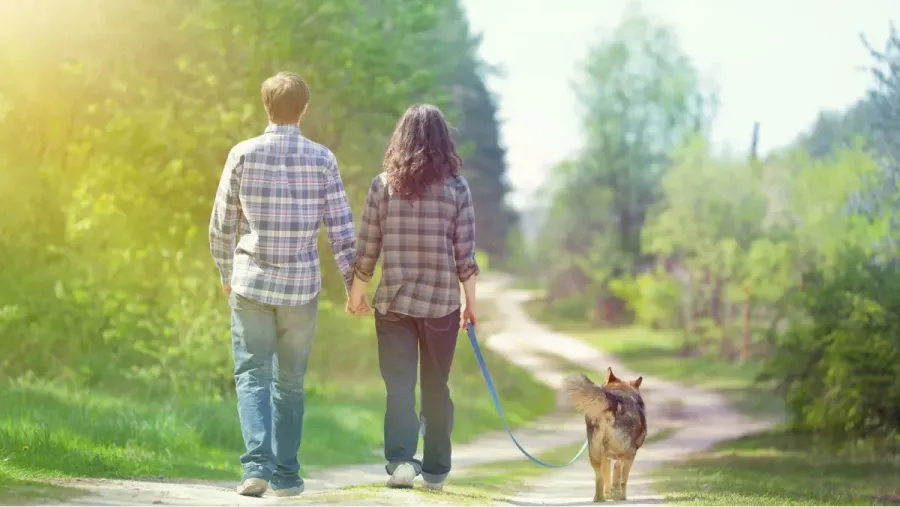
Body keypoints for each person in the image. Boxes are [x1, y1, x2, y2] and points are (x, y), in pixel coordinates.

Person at [208, 71, 356, 498]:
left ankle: (256, 468)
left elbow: (222, 224)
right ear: (303, 108)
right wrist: (352, 284)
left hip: (251, 282)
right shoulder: (323, 158)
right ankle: (287, 475)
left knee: (252, 375)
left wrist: (225, 273)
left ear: (265, 106)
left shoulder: (243, 154)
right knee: (290, 381)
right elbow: (342, 230)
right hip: (300, 288)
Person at [346, 104, 479, 491]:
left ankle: (401, 461)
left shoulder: (382, 185)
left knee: (400, 386)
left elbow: (367, 248)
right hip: (441, 305)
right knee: (437, 385)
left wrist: (357, 295)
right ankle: (436, 469)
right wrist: (472, 305)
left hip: (394, 305)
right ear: (444, 141)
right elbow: (465, 255)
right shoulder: (457, 188)